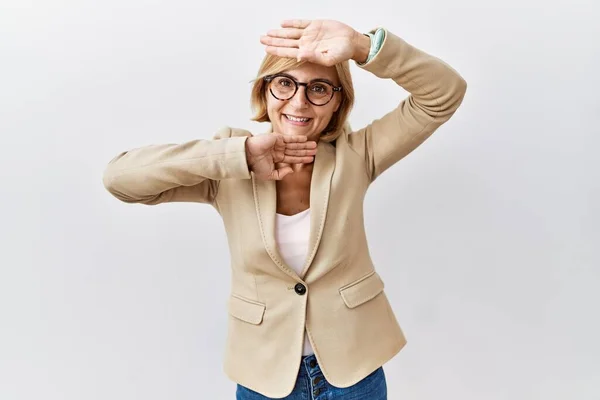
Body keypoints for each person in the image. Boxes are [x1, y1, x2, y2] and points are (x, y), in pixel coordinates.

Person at [102, 18, 466, 400]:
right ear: (265, 90)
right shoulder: (227, 167)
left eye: (319, 88)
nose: (299, 101)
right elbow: (120, 179)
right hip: (266, 375)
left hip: (353, 371)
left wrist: (361, 47)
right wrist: (237, 155)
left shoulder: (357, 155)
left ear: (338, 101)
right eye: (285, 83)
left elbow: (444, 92)